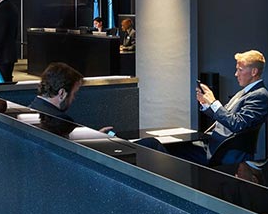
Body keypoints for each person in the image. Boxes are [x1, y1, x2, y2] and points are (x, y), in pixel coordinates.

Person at [28, 62, 165, 151]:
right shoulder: (59, 120)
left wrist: (96, 135)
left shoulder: (33, 109)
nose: (74, 99)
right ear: (62, 93)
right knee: (152, 143)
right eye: (74, 94)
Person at [170, 50, 268, 165]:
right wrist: (206, 103)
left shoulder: (260, 95)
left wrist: (213, 102)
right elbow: (224, 116)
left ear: (254, 72)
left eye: (240, 70)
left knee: (158, 147)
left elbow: (238, 124)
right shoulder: (245, 92)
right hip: (213, 144)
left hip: (224, 151)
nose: (236, 74)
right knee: (159, 145)